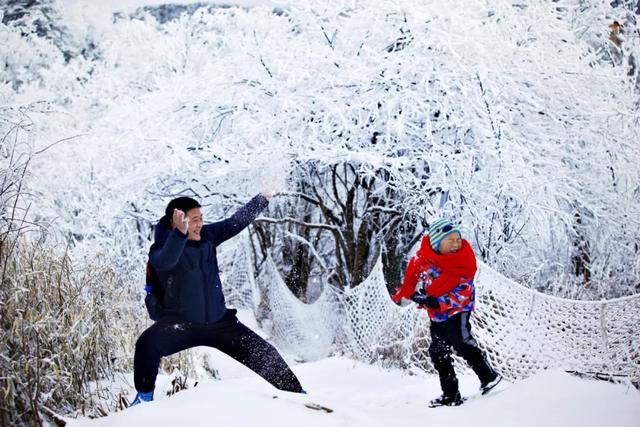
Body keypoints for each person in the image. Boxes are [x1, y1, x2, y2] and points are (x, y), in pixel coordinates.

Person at [130, 192, 304, 406]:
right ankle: (144, 398)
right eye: (194, 220)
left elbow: (235, 222)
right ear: (177, 222)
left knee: (264, 353)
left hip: (219, 322)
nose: (200, 224)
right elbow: (165, 262)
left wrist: (263, 198)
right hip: (181, 324)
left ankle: (298, 394)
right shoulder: (161, 247)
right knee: (147, 344)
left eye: (201, 218)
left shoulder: (208, 236)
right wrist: (180, 236)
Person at [392, 218, 501, 407]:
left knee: (461, 341)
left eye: (458, 239)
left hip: (459, 309)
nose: (456, 243)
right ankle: (451, 394)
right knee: (437, 351)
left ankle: (488, 376)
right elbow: (421, 280)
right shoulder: (425, 260)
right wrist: (419, 296)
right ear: (436, 244)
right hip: (437, 315)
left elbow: (463, 292)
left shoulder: (463, 262)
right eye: (450, 240)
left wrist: (435, 301)